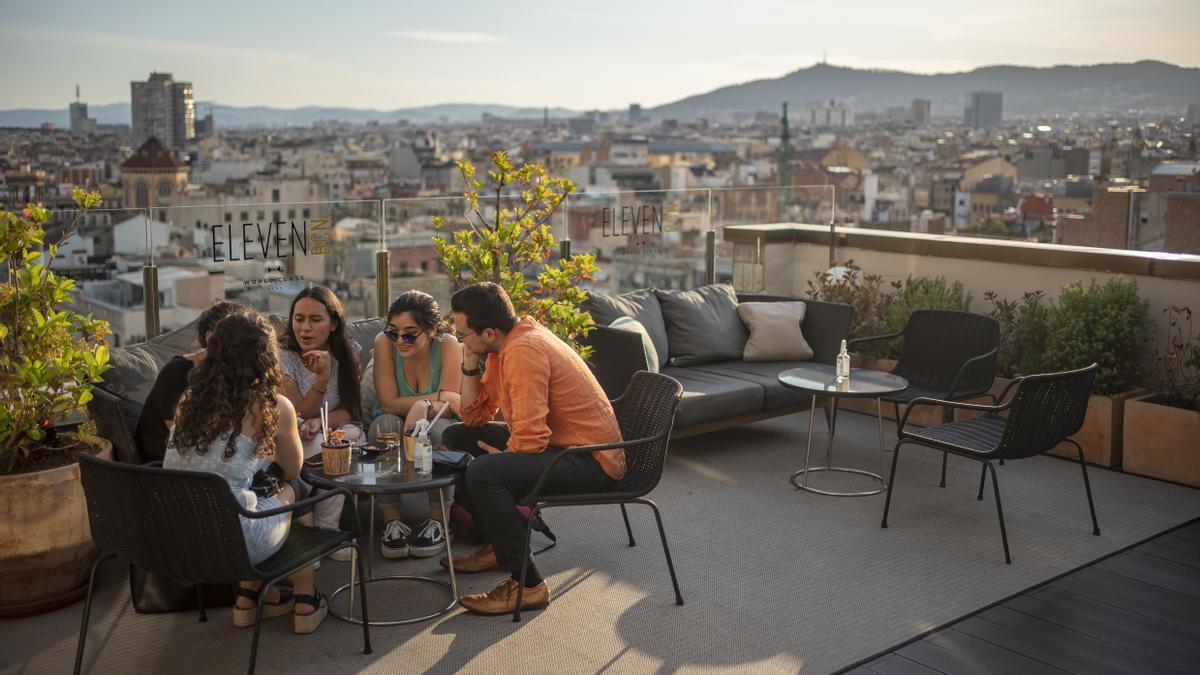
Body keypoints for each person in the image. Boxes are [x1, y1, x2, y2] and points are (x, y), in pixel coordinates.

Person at [441, 282, 623, 616]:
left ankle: (528, 585)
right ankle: (499, 544)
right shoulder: (504, 347)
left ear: (490, 332)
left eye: (463, 335)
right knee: (457, 438)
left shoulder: (524, 352)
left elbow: (530, 439)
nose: (460, 340)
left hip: (591, 461)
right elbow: (473, 417)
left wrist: (503, 461)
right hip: (561, 445)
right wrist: (469, 362)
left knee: (483, 473)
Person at [164, 312, 327, 634]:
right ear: (265, 357)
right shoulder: (272, 405)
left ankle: (247, 596)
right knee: (295, 484)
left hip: (180, 538)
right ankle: (306, 599)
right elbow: (293, 467)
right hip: (238, 542)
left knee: (258, 483)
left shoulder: (189, 400)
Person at [368, 291, 462, 559]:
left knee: (438, 430)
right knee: (384, 424)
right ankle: (392, 522)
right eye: (393, 332)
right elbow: (388, 404)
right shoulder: (383, 344)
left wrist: (424, 406)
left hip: (437, 421)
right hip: (393, 420)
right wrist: (436, 398)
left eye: (410, 334)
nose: (400, 340)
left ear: (431, 330)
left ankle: (439, 521)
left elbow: (451, 403)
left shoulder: (448, 345)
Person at [278, 285, 363, 552]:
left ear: (333, 324)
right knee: (329, 450)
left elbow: (350, 409)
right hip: (292, 438)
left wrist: (322, 423)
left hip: (328, 430)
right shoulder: (283, 357)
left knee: (352, 438)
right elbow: (298, 413)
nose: (304, 328)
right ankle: (327, 533)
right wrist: (322, 378)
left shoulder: (350, 352)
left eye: (315, 320)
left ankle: (328, 530)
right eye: (299, 319)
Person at [135, 300, 248, 463]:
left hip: (207, 458)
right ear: (210, 338)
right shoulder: (177, 373)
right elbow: (184, 440)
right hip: (164, 464)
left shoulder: (233, 371)